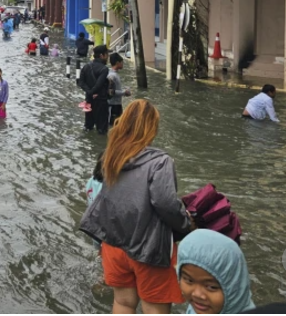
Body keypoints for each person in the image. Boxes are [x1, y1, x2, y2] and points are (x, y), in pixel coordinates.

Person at [80, 100, 194, 314]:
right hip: (148, 248)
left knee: (123, 303)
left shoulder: (110, 157)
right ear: (151, 127)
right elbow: (165, 203)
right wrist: (186, 222)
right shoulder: (160, 161)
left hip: (113, 245)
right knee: (154, 307)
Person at [177, 229, 255, 315]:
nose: (197, 294)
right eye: (189, 280)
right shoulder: (200, 307)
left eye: (212, 287)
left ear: (234, 288)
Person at [78, 45, 111, 135]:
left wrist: (89, 93)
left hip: (88, 101)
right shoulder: (104, 69)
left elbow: (81, 82)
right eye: (106, 55)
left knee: (88, 127)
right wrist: (92, 92)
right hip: (101, 101)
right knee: (102, 129)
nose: (107, 57)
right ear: (101, 55)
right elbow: (98, 85)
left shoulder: (86, 66)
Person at [108, 53, 132, 128]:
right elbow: (110, 92)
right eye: (122, 62)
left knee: (118, 126)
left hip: (117, 104)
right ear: (117, 63)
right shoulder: (112, 76)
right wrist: (124, 92)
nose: (123, 64)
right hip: (113, 106)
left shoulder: (113, 73)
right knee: (114, 126)